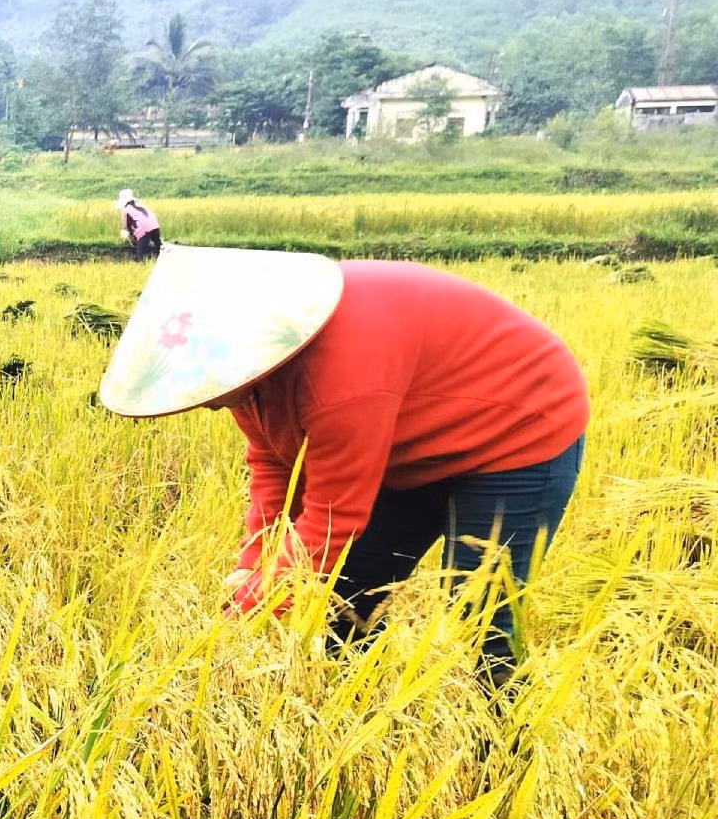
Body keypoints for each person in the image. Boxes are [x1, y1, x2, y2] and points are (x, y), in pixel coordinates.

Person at [97, 245, 590, 687]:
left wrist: (239, 617)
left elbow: (333, 519)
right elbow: (274, 465)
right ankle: (349, 733)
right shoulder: (250, 369)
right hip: (406, 439)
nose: (203, 403)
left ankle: (505, 761)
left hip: (519, 427)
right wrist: (252, 566)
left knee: (480, 618)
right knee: (345, 603)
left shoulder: (339, 379)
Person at [119, 189, 161, 260]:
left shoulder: (126, 210)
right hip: (155, 227)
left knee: (141, 254)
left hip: (143, 230)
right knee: (158, 248)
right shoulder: (141, 206)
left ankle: (145, 263)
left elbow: (126, 227)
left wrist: (128, 236)